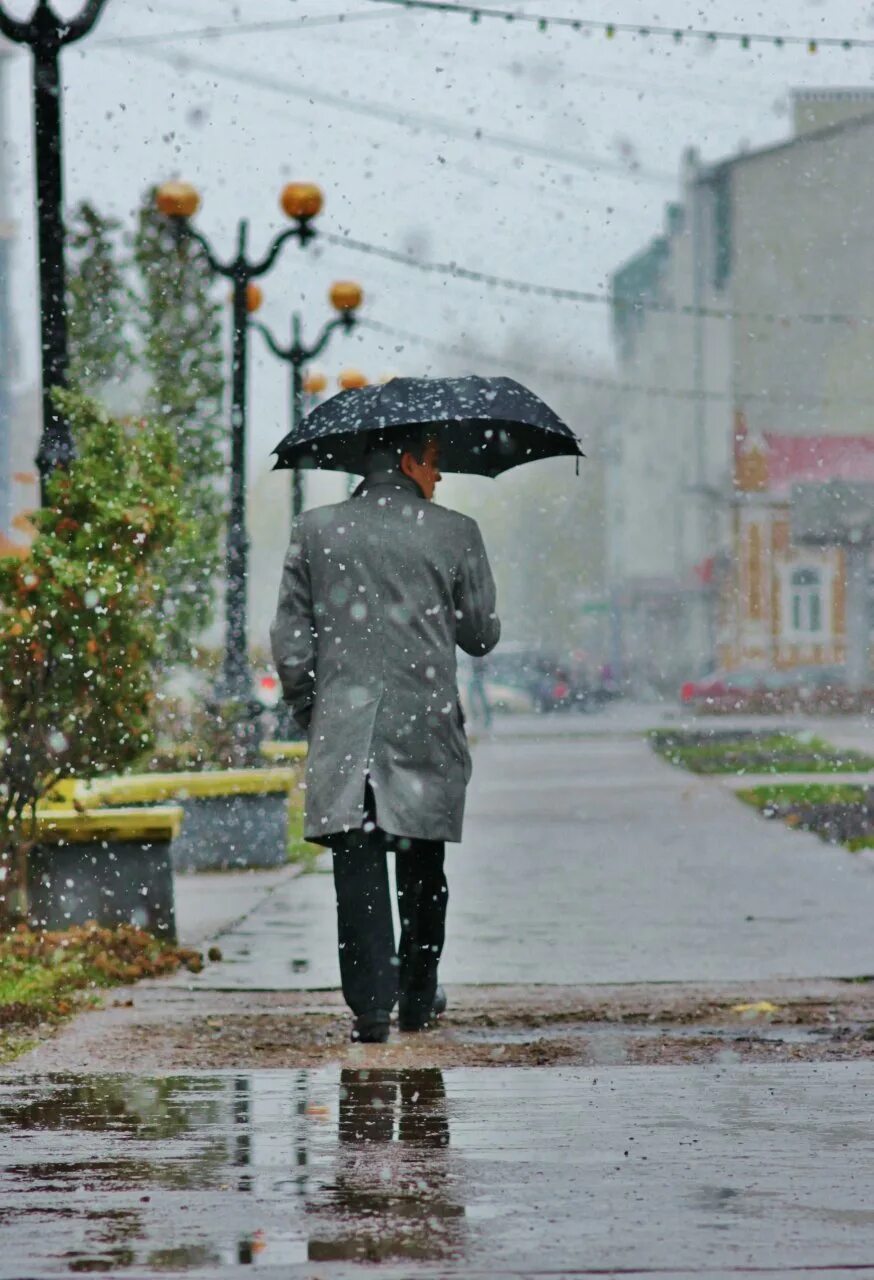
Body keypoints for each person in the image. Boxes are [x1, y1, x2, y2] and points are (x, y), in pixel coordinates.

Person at [270, 428, 500, 1043]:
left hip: (348, 730)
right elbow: (480, 634)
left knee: (359, 864)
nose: (440, 476)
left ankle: (372, 1005)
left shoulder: (316, 530)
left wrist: (314, 714)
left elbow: (292, 646)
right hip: (423, 726)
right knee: (423, 862)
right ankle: (419, 996)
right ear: (407, 461)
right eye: (434, 462)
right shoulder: (455, 532)